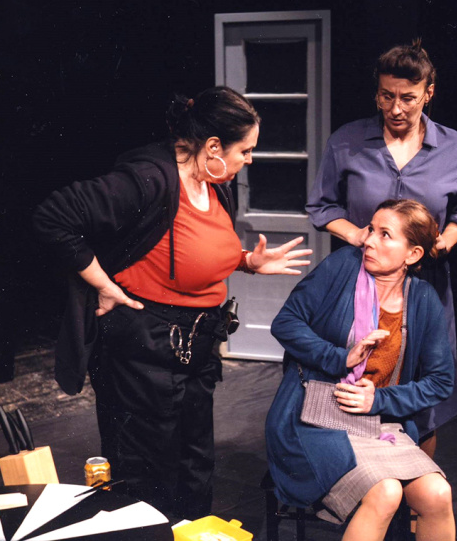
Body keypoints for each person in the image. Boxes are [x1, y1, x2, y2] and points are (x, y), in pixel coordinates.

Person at [33, 86, 312, 520]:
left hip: (196, 347)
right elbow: (54, 217)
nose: (250, 160)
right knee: (147, 473)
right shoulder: (146, 180)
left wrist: (246, 262)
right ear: (214, 147)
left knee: (194, 467)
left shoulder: (213, 183)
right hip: (143, 347)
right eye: (246, 150)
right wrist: (102, 284)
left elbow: (190, 250)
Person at [306, 40, 457, 454]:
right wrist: (357, 234)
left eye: (408, 98)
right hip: (359, 283)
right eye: (386, 96)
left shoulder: (452, 147)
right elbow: (322, 206)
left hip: (424, 287)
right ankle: (359, 484)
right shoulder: (348, 140)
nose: (396, 108)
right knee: (353, 385)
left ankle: (415, 489)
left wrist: (445, 241)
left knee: (422, 396)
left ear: (428, 93)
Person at [266, 199, 457, 541]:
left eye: (385, 235)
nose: (368, 240)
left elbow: (441, 381)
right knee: (386, 491)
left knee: (437, 494)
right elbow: (286, 323)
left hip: (378, 422)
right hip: (314, 419)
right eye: (371, 229)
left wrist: (379, 400)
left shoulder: (423, 298)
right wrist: (340, 358)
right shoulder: (343, 265)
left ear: (412, 254)